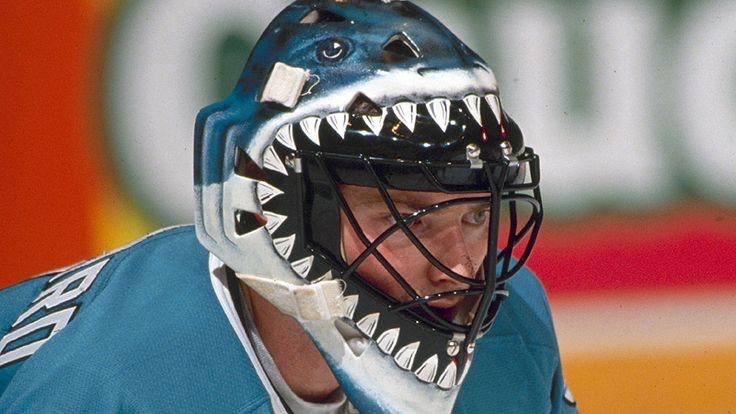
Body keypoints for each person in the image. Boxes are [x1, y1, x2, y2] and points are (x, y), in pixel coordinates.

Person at [0, 0, 577, 412]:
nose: (463, 267)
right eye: (410, 221)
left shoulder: (512, 332)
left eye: (475, 215)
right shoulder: (108, 387)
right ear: (279, 220)